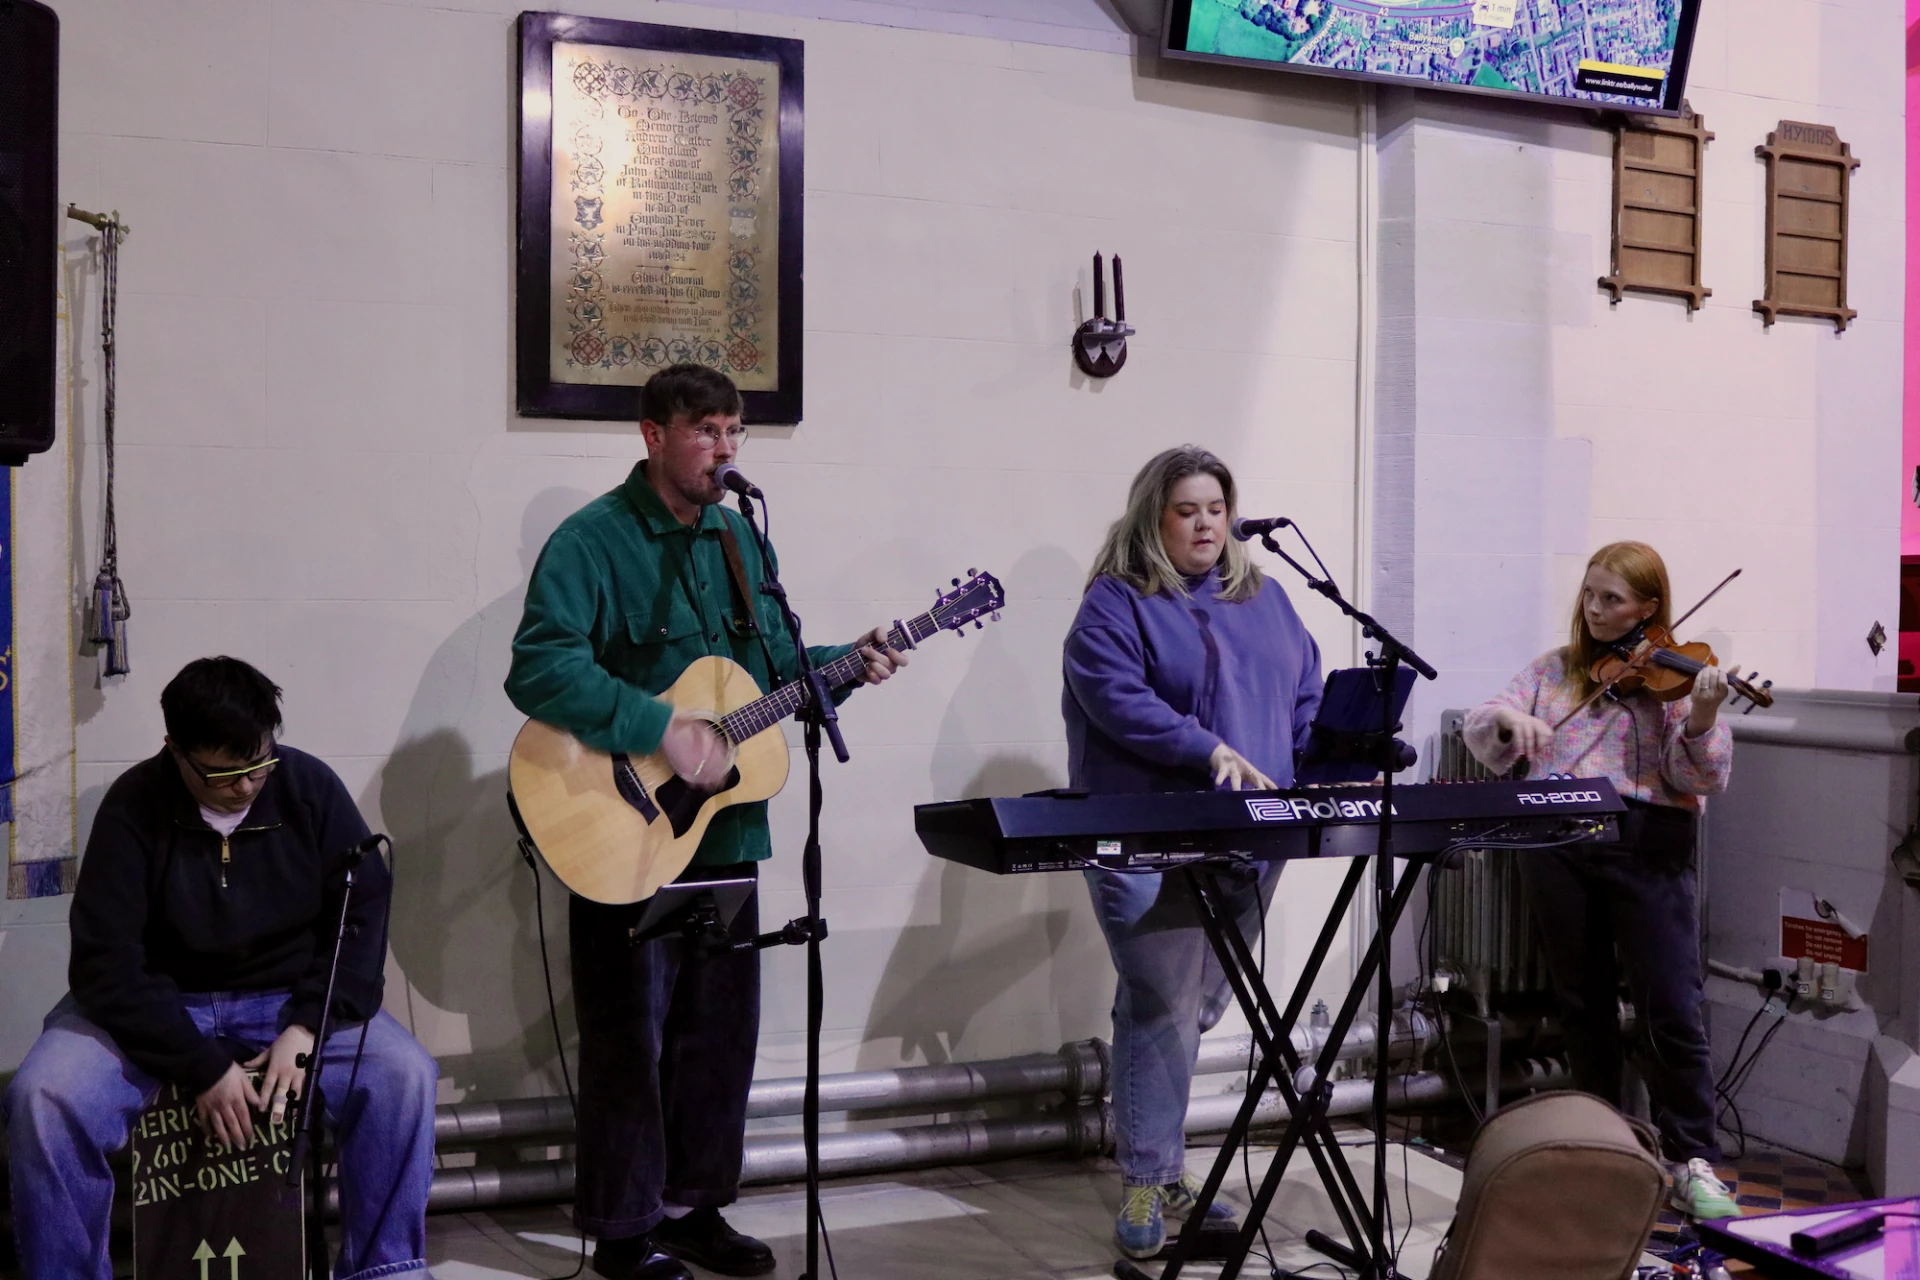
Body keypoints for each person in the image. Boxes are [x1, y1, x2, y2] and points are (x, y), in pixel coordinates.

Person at [506, 363, 907, 1280]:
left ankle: (693, 1208)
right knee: (629, 1040)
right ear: (652, 434)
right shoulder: (592, 541)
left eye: (734, 430)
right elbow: (539, 670)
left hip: (722, 836)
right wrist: (660, 728)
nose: (724, 448)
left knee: (717, 1034)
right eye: (705, 430)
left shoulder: (738, 537)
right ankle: (621, 1230)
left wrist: (853, 659)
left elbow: (769, 669)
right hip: (622, 836)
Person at [2, 656, 437, 1280]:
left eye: (259, 764)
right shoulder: (134, 806)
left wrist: (308, 1025)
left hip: (287, 1000)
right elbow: (104, 964)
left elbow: (361, 912)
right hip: (160, 1004)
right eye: (222, 775)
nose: (246, 786)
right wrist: (200, 1064)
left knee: (405, 1077)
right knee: (42, 1097)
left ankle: (388, 1272)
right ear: (174, 750)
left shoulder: (308, 787)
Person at [1062, 445, 1324, 1259]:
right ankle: (1149, 1179)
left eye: (1216, 507)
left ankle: (1161, 1159)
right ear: (1154, 518)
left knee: (1192, 1006)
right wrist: (1202, 747)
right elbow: (1113, 694)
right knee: (1164, 1003)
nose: (1206, 522)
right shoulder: (1116, 602)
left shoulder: (1268, 598)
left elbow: (1304, 691)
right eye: (1187, 509)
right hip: (1148, 832)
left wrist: (1321, 763)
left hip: (1253, 832)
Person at [1463, 540, 1739, 1220]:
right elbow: (1482, 724)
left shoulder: (1673, 679)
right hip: (1558, 840)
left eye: (1611, 599)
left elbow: (1699, 777)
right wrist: (1509, 721)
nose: (1594, 610)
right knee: (1580, 1002)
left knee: (1670, 1004)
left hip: (1648, 844)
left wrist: (1701, 716)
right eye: (1589, 595)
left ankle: (1693, 1159)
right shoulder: (1555, 670)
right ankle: (1602, 1149)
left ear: (1649, 607)